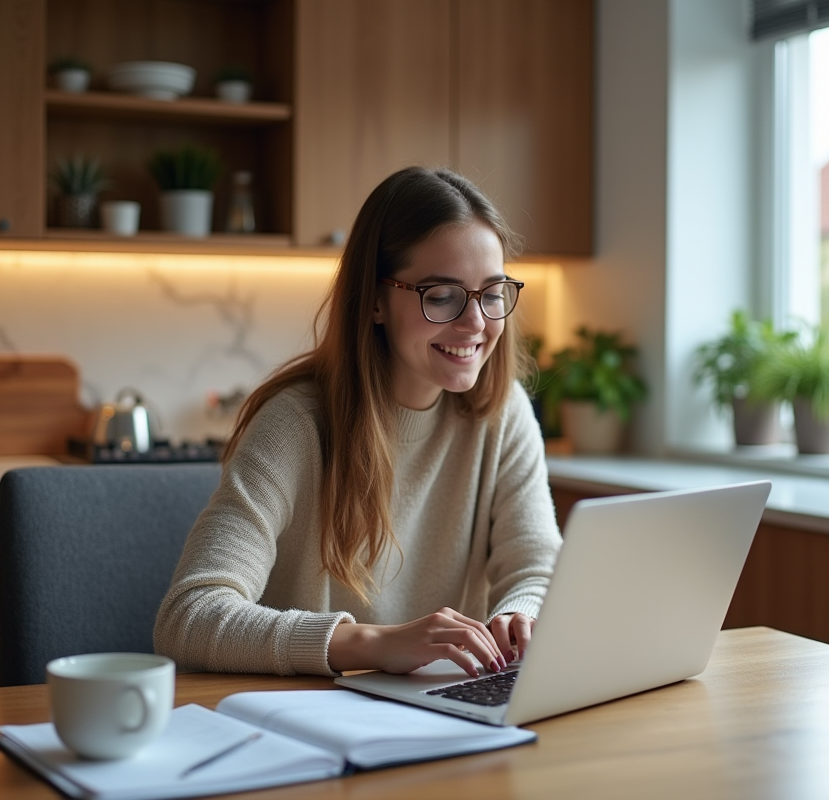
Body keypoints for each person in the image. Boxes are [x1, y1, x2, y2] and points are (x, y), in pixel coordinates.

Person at [155, 167, 563, 679]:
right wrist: (373, 644)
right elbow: (188, 617)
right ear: (374, 300)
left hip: (442, 707)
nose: (477, 322)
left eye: (493, 292)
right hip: (309, 714)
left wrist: (519, 618)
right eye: (441, 296)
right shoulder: (294, 425)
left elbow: (537, 566)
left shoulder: (503, 414)